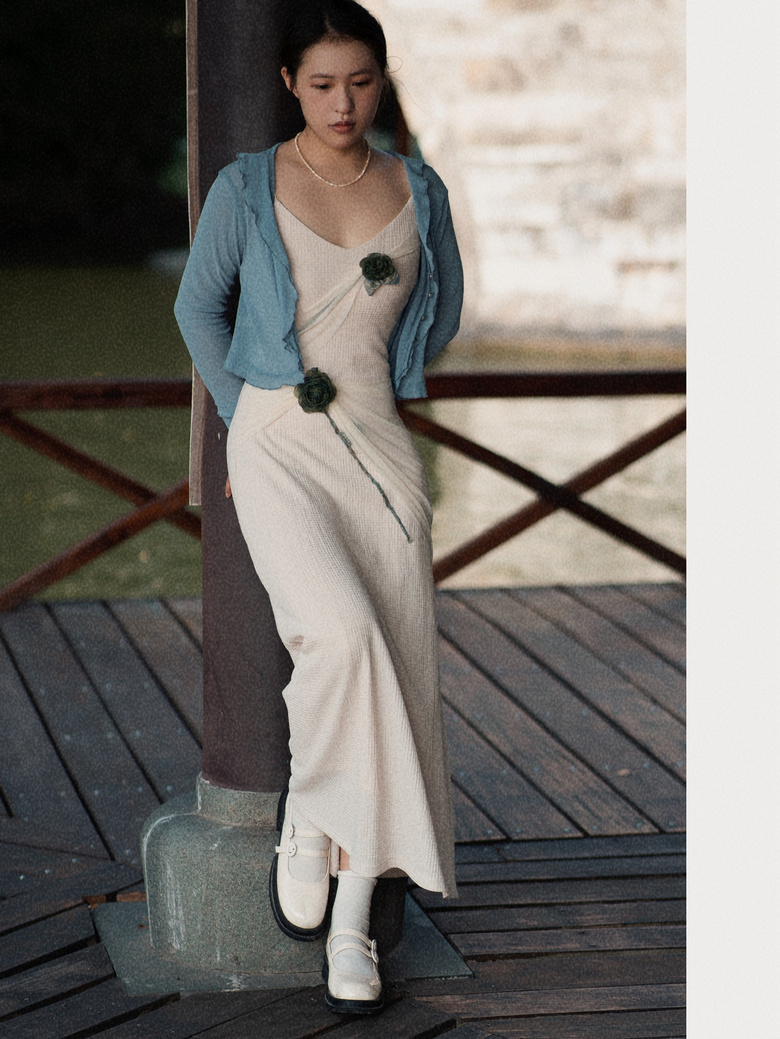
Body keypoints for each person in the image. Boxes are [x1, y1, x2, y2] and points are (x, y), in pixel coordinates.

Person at [174, 0, 462, 1015]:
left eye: (362, 82)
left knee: (399, 671)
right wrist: (245, 410)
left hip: (379, 449)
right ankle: (306, 816)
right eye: (324, 82)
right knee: (342, 639)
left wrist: (380, 378)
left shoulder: (418, 188)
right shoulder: (245, 185)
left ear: (382, 81)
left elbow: (440, 312)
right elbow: (195, 307)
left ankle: (350, 925)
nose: (344, 102)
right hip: (277, 441)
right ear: (290, 82)